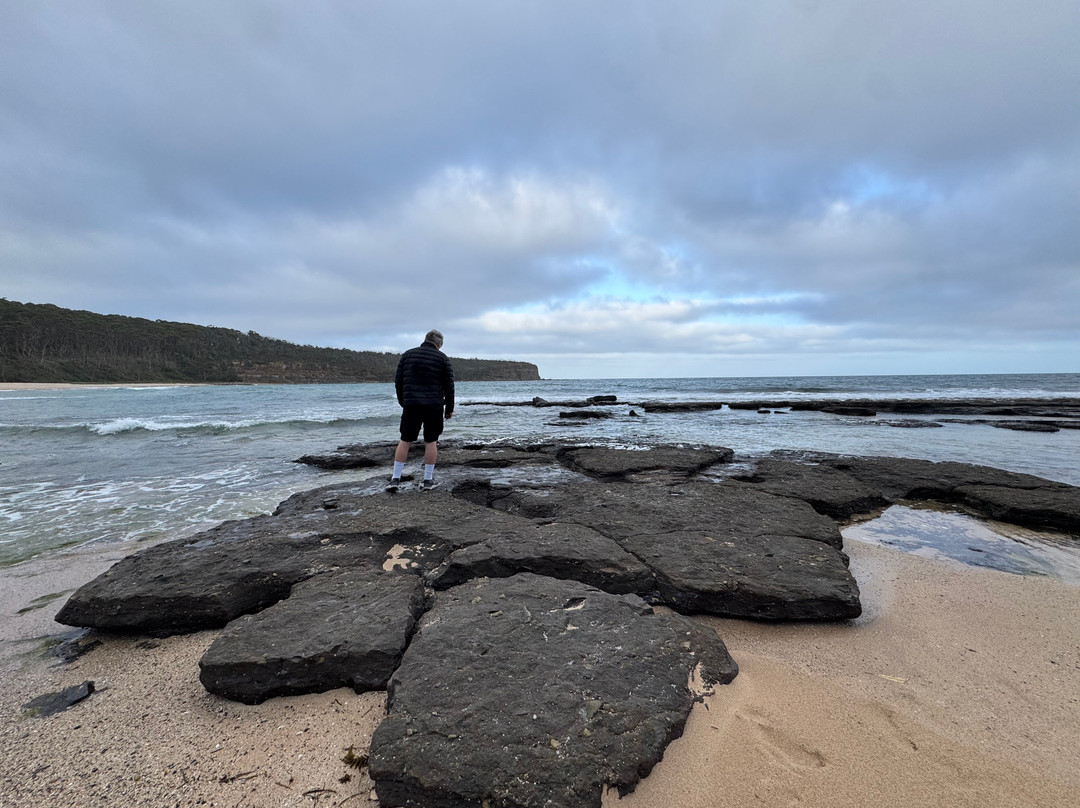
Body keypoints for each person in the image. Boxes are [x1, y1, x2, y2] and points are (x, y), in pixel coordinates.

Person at [388, 329, 455, 491]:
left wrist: (403, 402)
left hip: (411, 404)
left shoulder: (407, 355)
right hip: (434, 405)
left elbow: (398, 382)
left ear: (425, 340)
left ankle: (395, 479)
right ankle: (427, 481)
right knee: (431, 441)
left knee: (405, 439)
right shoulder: (442, 358)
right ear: (439, 344)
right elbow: (449, 387)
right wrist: (449, 409)